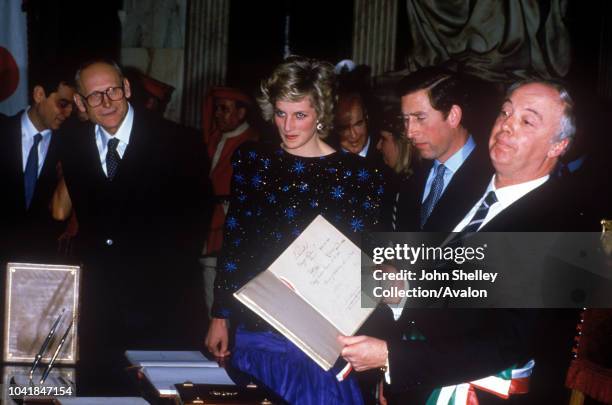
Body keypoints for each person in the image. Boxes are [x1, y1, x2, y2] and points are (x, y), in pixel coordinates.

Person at [338, 80, 592, 404]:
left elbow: (508, 341)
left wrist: (392, 356)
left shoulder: (564, 226)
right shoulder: (467, 186)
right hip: (410, 381)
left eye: (527, 121)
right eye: (505, 112)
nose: (506, 127)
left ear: (558, 145)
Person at [205, 56, 384, 405]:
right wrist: (219, 314)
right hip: (257, 330)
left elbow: (364, 264)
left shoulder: (358, 176)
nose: (287, 126)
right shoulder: (253, 160)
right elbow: (236, 241)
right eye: (280, 112)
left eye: (299, 114)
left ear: (321, 113)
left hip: (321, 340)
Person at [61, 59, 210, 394]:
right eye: (95, 96)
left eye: (113, 90)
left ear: (127, 88)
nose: (107, 102)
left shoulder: (180, 142)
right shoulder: (72, 146)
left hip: (164, 310)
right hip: (100, 313)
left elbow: (193, 227)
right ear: (81, 104)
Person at [395, 67, 492, 232]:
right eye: (405, 120)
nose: (409, 132)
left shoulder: (491, 178)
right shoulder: (410, 174)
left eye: (420, 118)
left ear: (453, 116)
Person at [0, 67, 75, 262]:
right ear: (39, 94)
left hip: (38, 263)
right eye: (63, 103)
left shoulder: (72, 148)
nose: (67, 113)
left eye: (72, 107)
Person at [200, 87, 259, 319]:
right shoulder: (213, 138)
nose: (217, 114)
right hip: (206, 232)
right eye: (216, 108)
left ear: (242, 113)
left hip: (233, 235)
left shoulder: (254, 142)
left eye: (224, 109)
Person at [375, 105, 415, 231]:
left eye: (384, 139)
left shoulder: (416, 189)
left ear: (401, 143)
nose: (378, 146)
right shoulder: (394, 182)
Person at [333, 91, 384, 165]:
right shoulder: (326, 158)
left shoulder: (385, 154)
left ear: (366, 118)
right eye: (345, 128)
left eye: (358, 124)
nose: (353, 135)